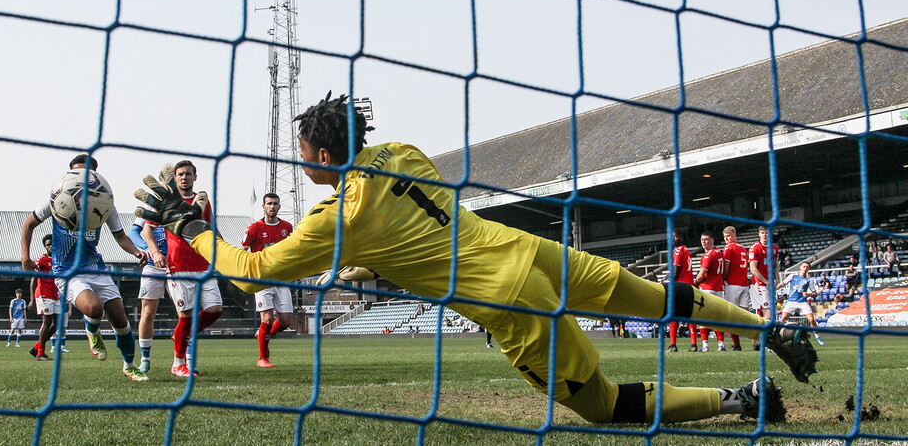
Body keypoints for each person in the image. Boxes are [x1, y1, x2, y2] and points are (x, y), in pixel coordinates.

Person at [135, 92, 819, 425]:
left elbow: (249, 271)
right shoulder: (400, 152)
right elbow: (415, 227)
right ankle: (773, 331)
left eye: (302, 153)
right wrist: (381, 263)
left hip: (503, 301)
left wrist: (187, 224)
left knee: (602, 406)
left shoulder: (334, 217)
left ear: (317, 156)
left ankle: (742, 399)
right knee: (659, 297)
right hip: (532, 252)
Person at [19, 154, 149, 381]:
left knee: (120, 319)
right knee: (94, 308)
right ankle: (92, 329)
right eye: (77, 172)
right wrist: (25, 257)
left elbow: (120, 237)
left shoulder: (105, 203)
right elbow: (28, 224)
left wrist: (137, 251)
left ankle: (129, 366)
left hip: (95, 267)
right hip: (66, 271)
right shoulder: (57, 200)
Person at [142, 159, 222, 378]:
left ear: (195, 177)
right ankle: (178, 364)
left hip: (203, 265)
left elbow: (210, 229)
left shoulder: (202, 201)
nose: (184, 177)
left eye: (188, 173)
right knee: (185, 316)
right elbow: (147, 231)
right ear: (175, 178)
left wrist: (221, 253)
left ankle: (181, 336)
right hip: (178, 266)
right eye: (180, 174)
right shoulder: (167, 202)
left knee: (215, 309)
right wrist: (156, 252)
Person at [242, 192, 294, 368]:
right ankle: (262, 358)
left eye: (275, 204)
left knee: (286, 320)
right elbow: (243, 250)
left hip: (281, 278)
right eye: (269, 203)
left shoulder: (287, 227)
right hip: (262, 278)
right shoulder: (254, 228)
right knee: (266, 318)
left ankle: (262, 334)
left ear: (279, 206)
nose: (272, 206)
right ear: (263, 206)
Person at [129, 166, 172, 374]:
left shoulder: (186, 204)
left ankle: (184, 358)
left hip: (178, 266)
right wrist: (147, 249)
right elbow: (134, 231)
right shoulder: (152, 205)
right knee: (148, 312)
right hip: (154, 265)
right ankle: (145, 358)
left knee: (187, 314)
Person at [775, 261, 825, 346]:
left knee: (811, 319)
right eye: (804, 266)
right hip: (791, 301)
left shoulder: (809, 280)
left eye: (807, 267)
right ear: (800, 267)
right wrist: (774, 289)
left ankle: (817, 336)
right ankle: (776, 339)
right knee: (782, 319)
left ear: (809, 269)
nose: (805, 268)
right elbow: (782, 284)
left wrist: (808, 294)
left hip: (802, 302)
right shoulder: (792, 276)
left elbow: (815, 293)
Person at [26, 234, 59, 360]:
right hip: (44, 294)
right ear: (45, 247)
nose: (50, 246)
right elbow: (33, 280)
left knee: (57, 324)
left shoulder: (59, 259)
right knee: (47, 322)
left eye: (52, 244)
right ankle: (40, 353)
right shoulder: (42, 260)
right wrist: (32, 300)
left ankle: (36, 347)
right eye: (48, 245)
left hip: (55, 294)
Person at [666, 230, 699, 352]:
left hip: (680, 286)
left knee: (674, 315)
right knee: (690, 316)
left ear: (680, 237)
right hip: (689, 286)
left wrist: (670, 282)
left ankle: (673, 345)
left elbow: (676, 271)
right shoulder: (686, 250)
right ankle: (694, 344)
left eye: (674, 236)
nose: (672, 239)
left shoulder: (678, 250)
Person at [693, 232, 726, 352]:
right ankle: (721, 344)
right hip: (719, 288)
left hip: (707, 288)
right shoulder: (720, 253)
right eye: (702, 240)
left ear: (713, 240)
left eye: (706, 239)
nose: (703, 242)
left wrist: (695, 282)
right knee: (718, 317)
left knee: (703, 316)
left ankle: (705, 345)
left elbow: (701, 274)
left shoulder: (708, 255)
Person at [748, 227, 778, 350]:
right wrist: (765, 281)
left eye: (767, 232)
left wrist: (776, 279)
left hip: (769, 284)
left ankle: (757, 341)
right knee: (768, 313)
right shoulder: (755, 248)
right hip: (759, 284)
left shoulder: (774, 248)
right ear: (759, 234)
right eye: (762, 232)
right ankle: (767, 342)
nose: (765, 235)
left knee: (760, 314)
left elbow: (776, 265)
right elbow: (753, 269)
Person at [721, 226, 749, 351]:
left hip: (732, 284)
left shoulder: (729, 247)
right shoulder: (743, 248)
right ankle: (756, 342)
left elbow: (726, 267)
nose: (726, 239)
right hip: (744, 284)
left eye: (728, 236)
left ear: (734, 235)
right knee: (745, 316)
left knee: (731, 315)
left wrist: (723, 279)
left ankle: (736, 344)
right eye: (725, 237)